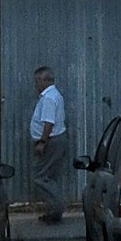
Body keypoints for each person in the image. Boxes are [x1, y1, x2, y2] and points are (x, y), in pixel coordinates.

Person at [29, 65, 67, 223]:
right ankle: (54, 210)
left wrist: (42, 142)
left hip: (50, 142)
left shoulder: (49, 98)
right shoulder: (52, 95)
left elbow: (48, 123)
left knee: (40, 176)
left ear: (45, 80)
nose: (36, 84)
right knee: (48, 176)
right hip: (54, 141)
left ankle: (56, 207)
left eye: (37, 81)